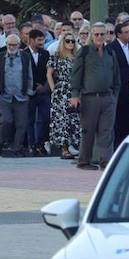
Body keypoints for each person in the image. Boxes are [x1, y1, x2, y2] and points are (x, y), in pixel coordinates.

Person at [70, 22, 120, 171]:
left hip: (107, 98)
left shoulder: (110, 52)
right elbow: (76, 74)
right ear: (92, 35)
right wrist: (75, 95)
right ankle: (84, 161)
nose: (99, 37)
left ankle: (106, 162)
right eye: (96, 34)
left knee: (106, 132)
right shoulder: (84, 51)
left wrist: (114, 96)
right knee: (88, 131)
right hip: (89, 97)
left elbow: (116, 77)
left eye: (102, 34)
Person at [0, 32, 33, 157]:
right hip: (4, 95)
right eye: (9, 44)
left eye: (14, 45)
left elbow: (29, 74)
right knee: (6, 120)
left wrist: (29, 91)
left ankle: (16, 147)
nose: (11, 47)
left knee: (22, 124)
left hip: (21, 95)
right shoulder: (0, 56)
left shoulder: (25, 57)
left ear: (19, 45)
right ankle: (0, 142)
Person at [47, 29, 82, 161]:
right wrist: (53, 89)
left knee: (75, 119)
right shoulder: (56, 56)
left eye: (73, 41)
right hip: (61, 91)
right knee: (62, 120)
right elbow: (49, 73)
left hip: (75, 90)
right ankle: (64, 149)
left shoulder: (78, 57)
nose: (70, 43)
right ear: (63, 42)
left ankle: (75, 146)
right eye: (67, 41)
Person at [25, 29, 52, 156]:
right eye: (39, 40)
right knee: (29, 119)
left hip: (44, 92)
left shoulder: (46, 54)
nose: (42, 42)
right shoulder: (23, 54)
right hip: (28, 92)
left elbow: (50, 72)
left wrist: (45, 87)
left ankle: (40, 143)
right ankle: (31, 145)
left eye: (43, 40)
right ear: (31, 40)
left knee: (44, 118)